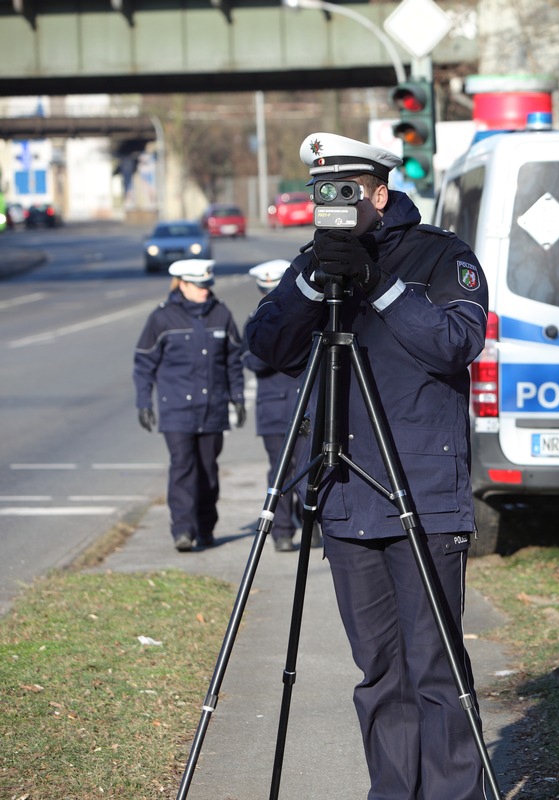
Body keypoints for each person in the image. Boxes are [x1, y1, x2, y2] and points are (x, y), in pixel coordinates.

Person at [244, 132, 488, 800]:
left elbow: (455, 344)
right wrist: (309, 281)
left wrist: (376, 286)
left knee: (435, 668)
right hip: (348, 492)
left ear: (380, 194)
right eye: (324, 192)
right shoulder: (313, 267)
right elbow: (264, 347)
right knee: (379, 671)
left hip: (423, 495)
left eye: (348, 191)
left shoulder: (441, 257)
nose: (337, 205)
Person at [133, 258, 246, 552]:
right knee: (183, 467)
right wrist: (144, 402)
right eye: (199, 286)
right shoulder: (162, 318)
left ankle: (205, 528)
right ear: (181, 284)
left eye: (208, 285)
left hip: (213, 408)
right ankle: (182, 531)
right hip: (177, 411)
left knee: (208, 471)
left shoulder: (221, 313)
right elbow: (144, 363)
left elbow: (234, 361)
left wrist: (238, 398)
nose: (205, 291)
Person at [244, 259, 308, 553]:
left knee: (309, 471)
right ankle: (282, 531)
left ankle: (313, 528)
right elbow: (253, 361)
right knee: (280, 473)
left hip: (304, 406)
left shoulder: (307, 315)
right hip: (273, 412)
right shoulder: (256, 320)